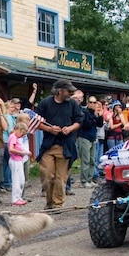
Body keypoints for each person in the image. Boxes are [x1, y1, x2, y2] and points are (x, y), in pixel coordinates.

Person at [35, 79, 83, 210]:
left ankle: (58, 204)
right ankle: (49, 202)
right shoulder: (45, 103)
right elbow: (36, 122)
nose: (71, 93)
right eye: (69, 90)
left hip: (66, 145)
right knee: (47, 175)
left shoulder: (72, 104)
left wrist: (70, 128)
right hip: (49, 145)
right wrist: (49, 129)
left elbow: (79, 121)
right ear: (60, 91)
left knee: (60, 178)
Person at [76, 93, 100, 189]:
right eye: (91, 102)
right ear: (88, 103)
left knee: (92, 160)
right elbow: (87, 124)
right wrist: (94, 118)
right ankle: (84, 180)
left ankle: (90, 179)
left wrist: (98, 115)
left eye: (94, 102)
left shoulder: (95, 113)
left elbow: (100, 124)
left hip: (93, 138)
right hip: (84, 137)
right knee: (85, 160)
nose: (93, 104)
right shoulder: (84, 112)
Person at [8, 114, 30, 206]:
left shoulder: (16, 137)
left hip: (19, 160)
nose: (21, 136)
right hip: (15, 160)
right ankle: (15, 198)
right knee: (17, 180)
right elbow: (11, 149)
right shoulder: (13, 136)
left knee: (21, 179)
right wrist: (22, 153)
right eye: (22, 134)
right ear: (19, 130)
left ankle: (19, 197)